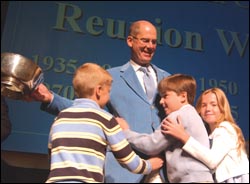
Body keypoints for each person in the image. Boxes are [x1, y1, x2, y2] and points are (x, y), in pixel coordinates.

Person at [27, 20, 171, 183]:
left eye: (154, 42)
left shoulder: (168, 78)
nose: (150, 46)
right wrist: (51, 98)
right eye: (145, 40)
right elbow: (87, 109)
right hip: (124, 169)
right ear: (130, 41)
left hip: (163, 168)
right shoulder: (111, 77)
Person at [45, 63, 164, 183]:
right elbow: (128, 160)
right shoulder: (105, 119)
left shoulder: (60, 118)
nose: (109, 96)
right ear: (99, 91)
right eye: (108, 91)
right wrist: (149, 165)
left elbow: (52, 155)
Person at [117, 74, 214, 183]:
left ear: (183, 96)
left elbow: (151, 144)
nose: (161, 101)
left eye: (165, 96)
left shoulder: (177, 116)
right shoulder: (192, 114)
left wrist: (125, 132)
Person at [161, 87, 249, 183]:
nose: (208, 109)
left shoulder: (225, 129)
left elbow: (212, 161)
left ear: (222, 108)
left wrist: (183, 136)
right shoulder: (209, 134)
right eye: (203, 105)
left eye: (214, 105)